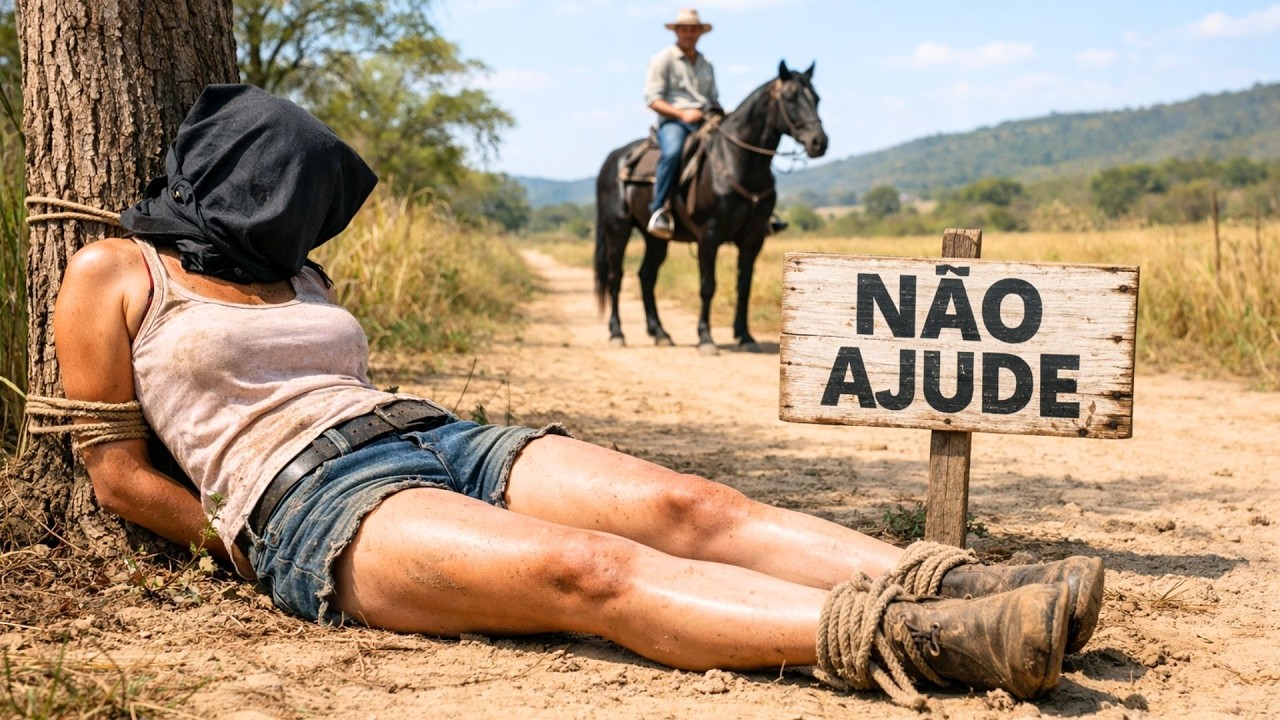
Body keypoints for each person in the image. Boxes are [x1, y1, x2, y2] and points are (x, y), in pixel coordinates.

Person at [50, 84, 1105, 708]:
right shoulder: (116, 271)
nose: (306, 221)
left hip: (431, 438)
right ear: (235, 171)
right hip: (314, 505)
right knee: (590, 570)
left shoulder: (295, 270)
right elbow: (116, 477)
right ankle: (921, 640)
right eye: (292, 194)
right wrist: (235, 538)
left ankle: (962, 580)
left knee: (692, 506)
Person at [643, 8, 720, 240]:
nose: (689, 33)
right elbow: (652, 99)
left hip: (705, 120)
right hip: (674, 122)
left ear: (700, 33)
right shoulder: (663, 59)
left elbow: (713, 98)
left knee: (736, 146)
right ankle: (659, 209)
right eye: (684, 29)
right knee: (674, 152)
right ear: (676, 31)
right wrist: (682, 114)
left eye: (693, 29)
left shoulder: (707, 63)